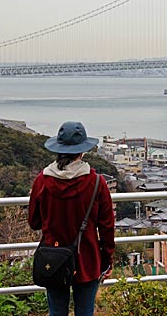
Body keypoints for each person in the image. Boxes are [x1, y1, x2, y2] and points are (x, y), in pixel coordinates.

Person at [28, 121, 115, 316]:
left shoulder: (42, 180)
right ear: (82, 151)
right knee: (85, 313)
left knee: (57, 312)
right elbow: (107, 227)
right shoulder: (96, 182)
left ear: (57, 149)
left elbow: (34, 222)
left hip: (53, 257)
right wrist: (107, 259)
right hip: (88, 258)